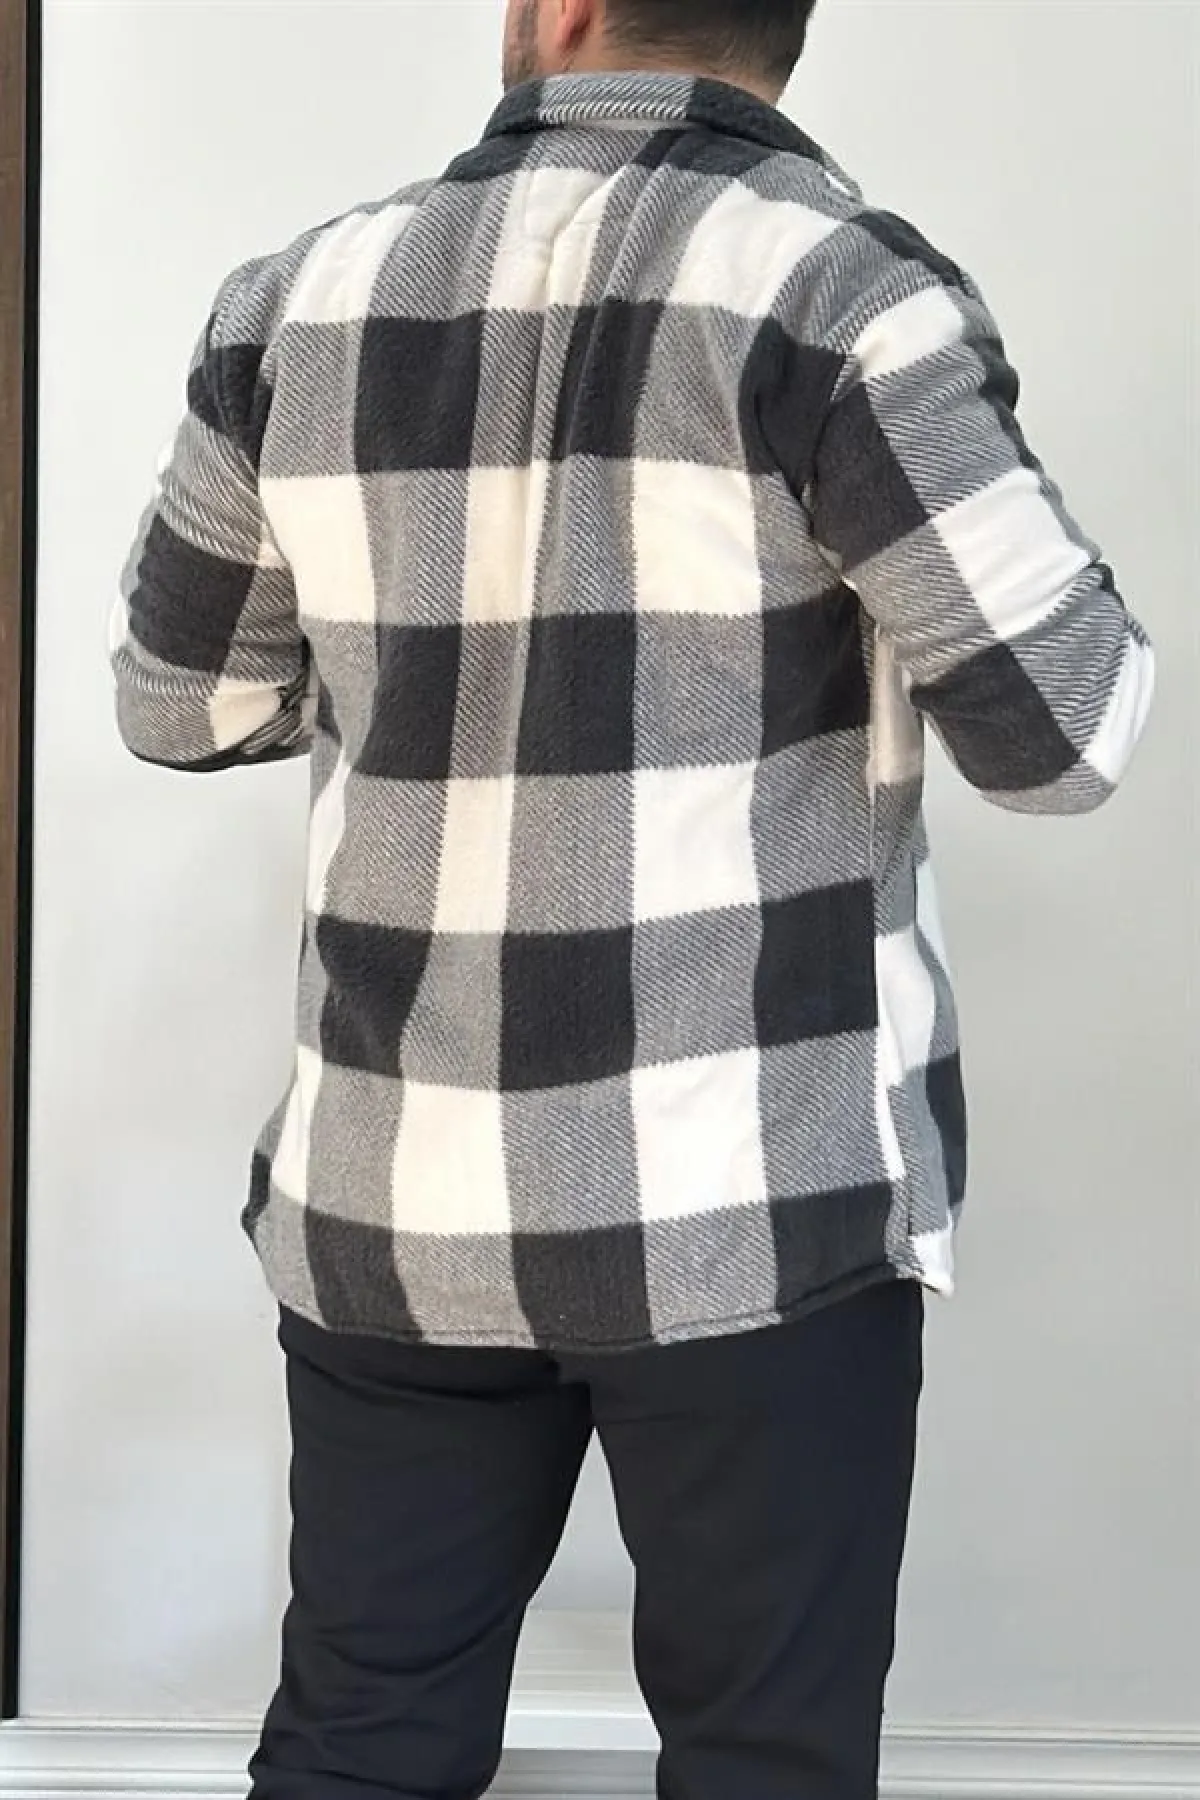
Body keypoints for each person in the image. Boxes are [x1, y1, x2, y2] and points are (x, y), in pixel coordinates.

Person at [110, 0, 1155, 1794]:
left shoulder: (292, 301)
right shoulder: (846, 297)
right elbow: (1063, 731)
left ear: (560, 8)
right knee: (765, 1759)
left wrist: (405, 684)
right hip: (751, 1201)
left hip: (397, 1198)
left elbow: (178, 703)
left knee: (362, 1745)